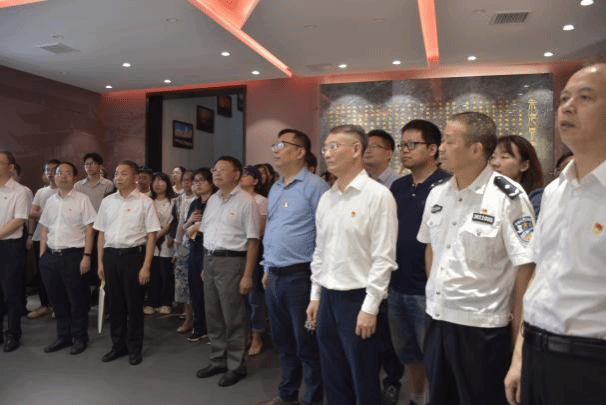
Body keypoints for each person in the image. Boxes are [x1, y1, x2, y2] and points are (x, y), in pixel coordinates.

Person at [504, 63, 606, 405]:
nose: (568, 107)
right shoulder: (554, 191)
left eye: (585, 97)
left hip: (591, 362)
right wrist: (520, 357)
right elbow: (541, 276)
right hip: (538, 352)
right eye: (564, 98)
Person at [417, 112, 535, 405]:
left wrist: (518, 339)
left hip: (482, 329)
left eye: (449, 141)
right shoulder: (437, 194)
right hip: (437, 319)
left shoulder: (508, 197)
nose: (441, 148)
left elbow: (526, 267)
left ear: (476, 149)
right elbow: (431, 249)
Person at [306, 125, 398, 405]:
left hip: (358, 299)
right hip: (328, 297)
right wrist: (315, 294)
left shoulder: (377, 195)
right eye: (325, 147)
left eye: (334, 146)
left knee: (363, 374)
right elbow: (320, 251)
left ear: (356, 149)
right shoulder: (327, 197)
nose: (327, 153)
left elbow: (383, 258)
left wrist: (370, 307)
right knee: (332, 374)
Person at [256, 129, 329, 405]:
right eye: (274, 144)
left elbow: (325, 235)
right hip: (274, 275)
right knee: (283, 341)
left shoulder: (315, 186)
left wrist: (318, 284)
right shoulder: (275, 187)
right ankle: (287, 394)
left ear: (300, 152)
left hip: (302, 276)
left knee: (306, 343)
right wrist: (266, 267)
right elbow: (273, 229)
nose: (275, 149)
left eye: (281, 144)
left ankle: (313, 398)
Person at [389, 119, 451, 405]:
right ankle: (416, 400)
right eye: (402, 145)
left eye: (412, 144)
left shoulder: (447, 185)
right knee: (408, 356)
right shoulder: (398, 187)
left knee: (435, 357)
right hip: (397, 287)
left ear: (433, 149)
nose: (405, 150)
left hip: (428, 290)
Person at [195, 156, 259, 387]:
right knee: (213, 314)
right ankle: (218, 359)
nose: (216, 173)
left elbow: (253, 241)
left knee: (233, 316)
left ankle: (236, 365)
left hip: (232, 262)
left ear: (236, 174)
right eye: (215, 169)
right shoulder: (212, 199)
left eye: (222, 170)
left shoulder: (246, 202)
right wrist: (205, 266)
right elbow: (206, 235)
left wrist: (247, 275)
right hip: (210, 260)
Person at [94, 160, 160, 366]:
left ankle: (134, 347)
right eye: (116, 174)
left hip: (133, 257)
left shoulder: (145, 202)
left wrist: (146, 266)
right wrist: (100, 262)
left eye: (123, 174)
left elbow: (151, 236)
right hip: (111, 257)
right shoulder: (107, 202)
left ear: (135, 177)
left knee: (133, 305)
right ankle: (118, 345)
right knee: (114, 305)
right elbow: (101, 233)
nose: (118, 178)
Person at [363, 128, 404, 405]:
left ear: (388, 153)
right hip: (360, 271)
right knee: (366, 335)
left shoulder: (398, 186)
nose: (367, 150)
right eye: (365, 145)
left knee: (388, 336)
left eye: (374, 146)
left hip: (388, 270)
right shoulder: (358, 185)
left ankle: (392, 381)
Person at [38, 162, 95, 355]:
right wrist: (42, 255)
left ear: (75, 178)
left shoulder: (82, 199)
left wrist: (87, 255)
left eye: (68, 173)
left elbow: (90, 230)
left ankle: (79, 337)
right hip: (50, 257)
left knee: (77, 300)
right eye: (59, 173)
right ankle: (63, 336)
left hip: (73, 256)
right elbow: (44, 229)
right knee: (57, 300)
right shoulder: (50, 201)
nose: (63, 176)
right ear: (53, 177)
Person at [0, 150, 31, 352]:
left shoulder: (20, 191)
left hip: (10, 247)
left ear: (10, 166)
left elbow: (19, 220)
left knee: (11, 293)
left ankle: (13, 334)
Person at [183, 167, 216, 341]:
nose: (197, 184)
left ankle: (213, 329)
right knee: (195, 289)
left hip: (210, 250)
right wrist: (190, 221)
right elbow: (185, 228)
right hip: (194, 249)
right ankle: (200, 326)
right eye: (195, 181)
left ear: (211, 183)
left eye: (202, 181)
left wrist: (198, 226)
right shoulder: (195, 203)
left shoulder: (215, 201)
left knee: (209, 292)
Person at [239, 165, 268, 356]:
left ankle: (258, 335)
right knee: (241, 298)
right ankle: (246, 332)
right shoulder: (237, 199)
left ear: (256, 181)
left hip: (255, 250)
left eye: (246, 175)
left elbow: (259, 230)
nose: (242, 177)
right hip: (238, 250)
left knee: (255, 297)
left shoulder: (261, 201)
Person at [27, 158, 60, 320]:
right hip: (39, 237)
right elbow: (32, 213)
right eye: (48, 170)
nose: (51, 174)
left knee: (58, 274)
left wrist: (43, 212)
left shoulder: (66, 191)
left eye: (54, 170)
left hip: (59, 238)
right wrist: (30, 235)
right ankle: (45, 305)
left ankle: (58, 305)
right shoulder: (41, 192)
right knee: (42, 274)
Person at [145, 172, 177, 315]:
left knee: (166, 273)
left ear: (167, 183)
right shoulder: (147, 201)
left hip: (166, 241)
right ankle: (152, 302)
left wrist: (158, 235)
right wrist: (151, 237)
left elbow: (172, 222)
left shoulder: (173, 201)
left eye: (162, 181)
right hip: (149, 241)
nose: (158, 184)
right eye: (155, 181)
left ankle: (166, 302)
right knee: (152, 273)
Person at [491, 135, 544, 218]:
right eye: (492, 157)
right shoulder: (487, 194)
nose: (494, 163)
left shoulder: (536, 198)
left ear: (524, 165)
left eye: (504, 157)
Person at [173, 170, 195, 333]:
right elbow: (179, 224)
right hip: (182, 245)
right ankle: (188, 318)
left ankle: (196, 319)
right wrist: (176, 246)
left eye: (191, 180)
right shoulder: (180, 199)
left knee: (195, 285)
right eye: (185, 180)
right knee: (183, 285)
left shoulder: (200, 200)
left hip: (195, 245)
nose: (187, 183)